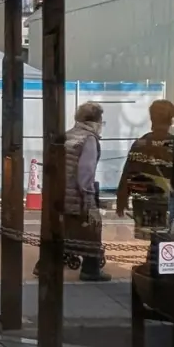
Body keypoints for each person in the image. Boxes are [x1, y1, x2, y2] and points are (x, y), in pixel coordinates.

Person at [63, 101, 108, 281]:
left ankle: (44, 265)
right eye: (101, 120)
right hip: (78, 194)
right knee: (92, 228)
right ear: (95, 120)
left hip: (62, 193)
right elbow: (86, 172)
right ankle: (91, 270)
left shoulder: (68, 135)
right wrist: (88, 199)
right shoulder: (89, 139)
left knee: (65, 230)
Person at [116, 99, 174, 222]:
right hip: (167, 201)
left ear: (151, 119)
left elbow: (128, 173)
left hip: (143, 201)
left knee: (152, 236)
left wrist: (122, 198)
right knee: (167, 237)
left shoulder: (141, 143)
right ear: (171, 120)